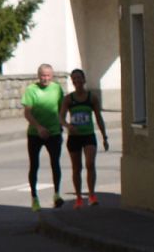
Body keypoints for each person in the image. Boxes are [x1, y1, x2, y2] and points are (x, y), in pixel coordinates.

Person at [62, 68, 111, 206]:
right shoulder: (68, 99)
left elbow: (99, 117)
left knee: (90, 164)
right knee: (76, 167)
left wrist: (104, 136)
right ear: (72, 81)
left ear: (84, 80)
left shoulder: (91, 98)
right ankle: (78, 197)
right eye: (74, 79)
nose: (77, 81)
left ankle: (92, 195)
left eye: (79, 78)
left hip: (88, 135)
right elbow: (61, 117)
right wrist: (68, 125)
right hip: (74, 137)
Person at [21, 62, 66, 210]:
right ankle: (34, 198)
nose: (45, 78)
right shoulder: (31, 90)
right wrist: (39, 127)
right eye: (42, 76)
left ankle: (57, 194)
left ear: (52, 76)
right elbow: (27, 113)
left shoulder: (57, 89)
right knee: (34, 165)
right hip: (35, 133)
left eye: (47, 76)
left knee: (55, 163)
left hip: (53, 132)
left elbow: (62, 109)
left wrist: (62, 124)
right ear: (38, 76)